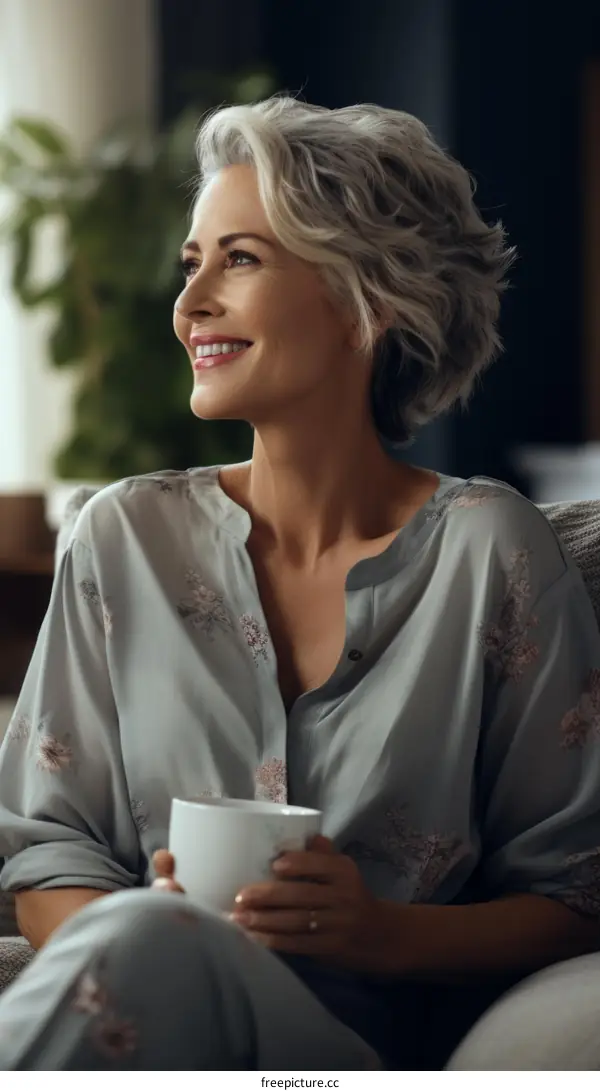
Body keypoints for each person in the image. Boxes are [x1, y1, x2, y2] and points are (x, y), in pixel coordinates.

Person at [0, 94, 599, 1071]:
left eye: (240, 259)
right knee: (153, 935)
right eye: (193, 264)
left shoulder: (493, 551)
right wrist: (158, 951)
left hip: (365, 1051)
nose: (189, 303)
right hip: (160, 1033)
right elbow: (48, 847)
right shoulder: (121, 538)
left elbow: (580, 887)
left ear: (371, 296)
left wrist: (377, 934)